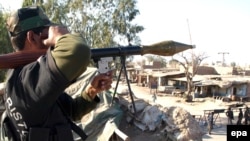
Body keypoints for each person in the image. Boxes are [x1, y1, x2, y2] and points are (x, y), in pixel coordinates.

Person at [2, 6, 112, 141]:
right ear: (32, 37)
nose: (52, 41)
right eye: (47, 33)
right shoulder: (28, 81)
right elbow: (78, 50)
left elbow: (71, 111)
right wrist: (61, 35)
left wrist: (92, 90)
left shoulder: (21, 78)